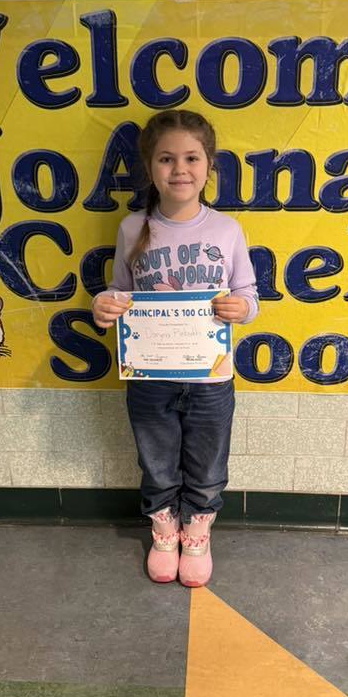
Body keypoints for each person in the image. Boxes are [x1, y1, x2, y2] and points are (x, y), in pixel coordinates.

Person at [91, 111, 258, 587]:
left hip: (211, 377)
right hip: (149, 378)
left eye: (191, 158)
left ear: (209, 166)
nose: (179, 169)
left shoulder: (226, 230)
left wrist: (239, 308)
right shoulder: (131, 228)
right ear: (150, 167)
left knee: (207, 465)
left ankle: (197, 531)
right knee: (157, 462)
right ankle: (164, 529)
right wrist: (103, 306)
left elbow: (250, 294)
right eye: (166, 159)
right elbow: (117, 292)